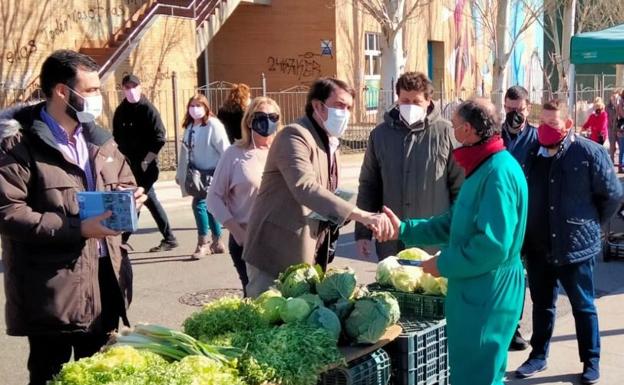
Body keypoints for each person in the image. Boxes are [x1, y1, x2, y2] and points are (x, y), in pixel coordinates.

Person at [0, 50, 146, 385]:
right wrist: (77, 228)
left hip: (105, 284)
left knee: (98, 376)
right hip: (53, 291)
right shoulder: (18, 145)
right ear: (62, 92)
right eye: (91, 90)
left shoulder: (100, 140)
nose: (98, 98)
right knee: (51, 377)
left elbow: (125, 180)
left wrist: (132, 198)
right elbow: (8, 212)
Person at [377, 98, 528, 385]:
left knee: (478, 375)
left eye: (454, 125)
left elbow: (493, 246)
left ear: (469, 130)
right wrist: (406, 229)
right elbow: (456, 223)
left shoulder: (497, 172)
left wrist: (443, 263)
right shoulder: (482, 166)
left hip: (487, 291)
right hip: (475, 287)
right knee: (472, 371)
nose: (451, 131)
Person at [242, 77, 393, 298]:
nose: (345, 113)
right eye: (339, 105)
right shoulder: (294, 136)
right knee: (265, 321)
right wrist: (363, 216)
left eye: (349, 107)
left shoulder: (330, 142)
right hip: (274, 254)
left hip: (307, 254)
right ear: (317, 106)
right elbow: (305, 187)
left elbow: (329, 194)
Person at [515, 99, 623, 384]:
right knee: (542, 305)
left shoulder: (588, 153)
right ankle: (538, 355)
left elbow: (612, 195)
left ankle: (591, 360)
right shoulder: (531, 153)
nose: (546, 130)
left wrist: (588, 223)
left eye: (553, 124)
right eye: (543, 123)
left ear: (568, 124)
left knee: (583, 305)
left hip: (575, 246)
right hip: (538, 246)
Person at [355, 71, 463, 260]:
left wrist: (459, 231)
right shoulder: (380, 135)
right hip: (390, 241)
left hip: (433, 242)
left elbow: (460, 188)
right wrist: (363, 233)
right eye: (405, 101)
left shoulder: (447, 133)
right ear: (397, 99)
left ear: (429, 101)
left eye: (416, 101)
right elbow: (369, 186)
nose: (410, 106)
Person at [208, 97, 282, 296]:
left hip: (281, 238)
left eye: (273, 117)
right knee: (258, 300)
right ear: (249, 120)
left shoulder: (282, 152)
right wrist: (238, 233)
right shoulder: (234, 154)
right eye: (261, 117)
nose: (267, 122)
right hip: (248, 238)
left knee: (284, 301)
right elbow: (213, 198)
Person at [112, 74, 178, 252]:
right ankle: (169, 238)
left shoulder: (148, 109)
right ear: (122, 89)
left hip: (147, 167)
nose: (130, 90)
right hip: (129, 165)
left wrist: (148, 159)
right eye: (127, 87)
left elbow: (159, 138)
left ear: (140, 87)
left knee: (138, 200)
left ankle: (123, 239)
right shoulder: (121, 111)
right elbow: (117, 138)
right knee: (147, 200)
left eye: (133, 86)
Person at [501, 85, 538, 352]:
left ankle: (515, 327)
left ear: (528, 108)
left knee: (521, 277)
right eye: (509, 109)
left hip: (528, 220)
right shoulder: (492, 135)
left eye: (519, 110)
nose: (513, 114)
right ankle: (500, 326)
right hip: (499, 218)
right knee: (499, 274)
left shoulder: (537, 138)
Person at [175, 94, 230, 258]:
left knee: (198, 204)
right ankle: (218, 241)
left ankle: (203, 243)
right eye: (192, 105)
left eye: (199, 105)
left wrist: (225, 172)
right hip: (196, 173)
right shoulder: (190, 126)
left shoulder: (213, 125)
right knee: (210, 206)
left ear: (206, 107)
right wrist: (181, 173)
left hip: (212, 172)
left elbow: (225, 149)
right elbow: (185, 152)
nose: (195, 109)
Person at [605, 90, 620, 163]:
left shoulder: (619, 106)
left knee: (621, 146)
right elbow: (606, 117)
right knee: (612, 146)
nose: (615, 99)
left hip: (619, 128)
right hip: (611, 128)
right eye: (613, 97)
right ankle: (611, 161)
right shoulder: (608, 107)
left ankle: (621, 164)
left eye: (616, 97)